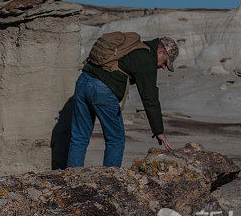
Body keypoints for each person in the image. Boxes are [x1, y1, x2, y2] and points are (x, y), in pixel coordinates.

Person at [66, 35, 179, 168]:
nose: (164, 67)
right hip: (101, 90)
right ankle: (109, 181)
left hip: (83, 81)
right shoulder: (147, 58)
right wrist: (159, 131)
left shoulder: (134, 47)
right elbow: (150, 99)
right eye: (165, 62)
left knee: (79, 137)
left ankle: (72, 176)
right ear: (160, 52)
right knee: (115, 140)